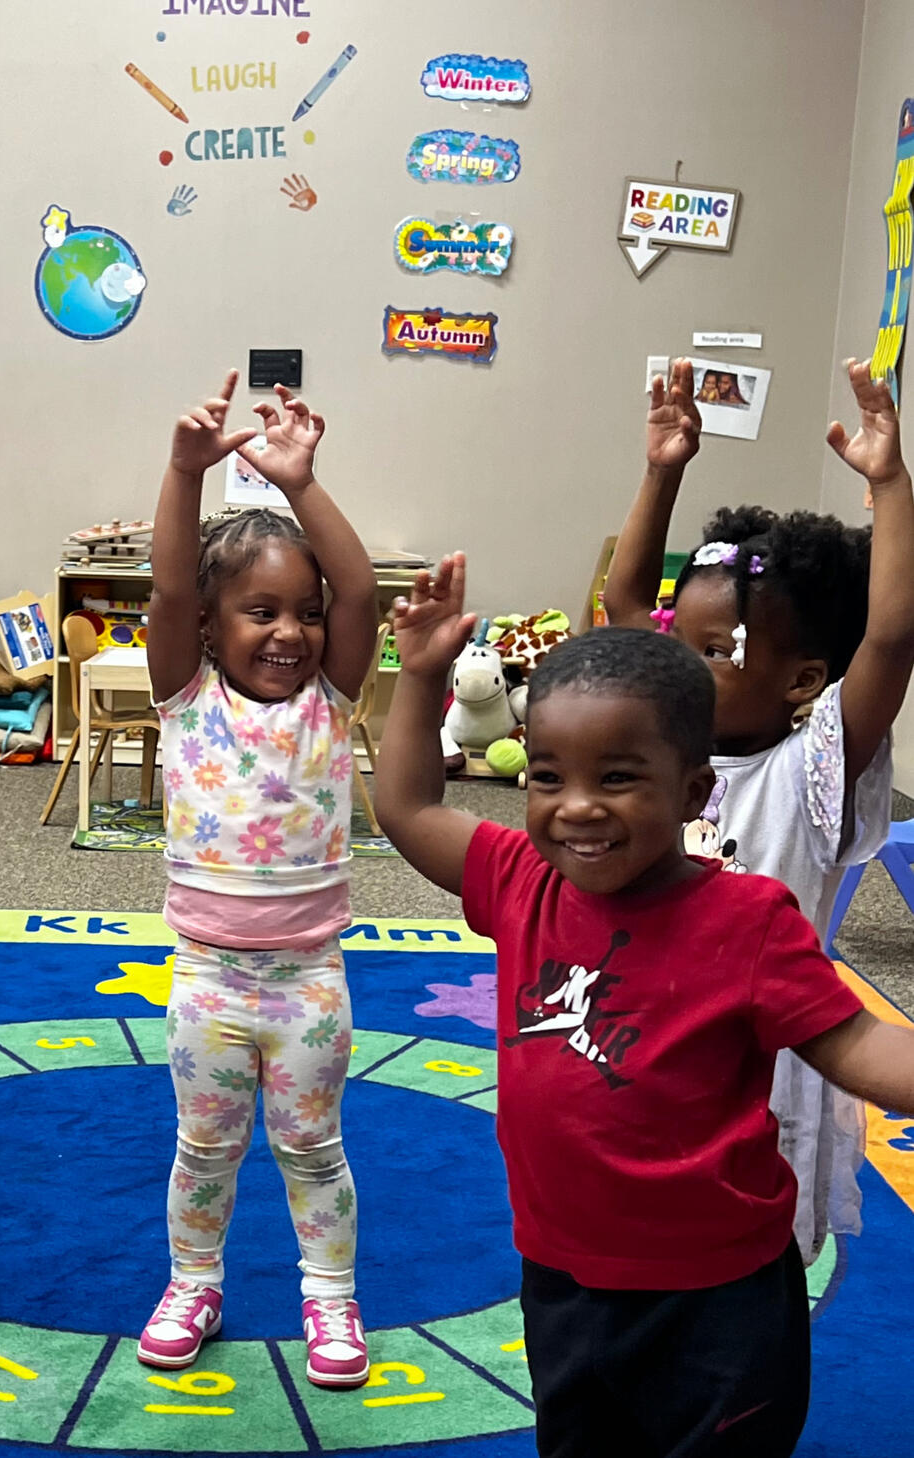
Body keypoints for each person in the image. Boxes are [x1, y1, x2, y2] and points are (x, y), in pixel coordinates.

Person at [374, 565, 914, 1457]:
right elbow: (406, 805)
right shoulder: (520, 879)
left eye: (619, 778)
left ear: (694, 793)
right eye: (549, 777)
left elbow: (855, 1044)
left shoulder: (746, 919)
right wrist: (423, 673)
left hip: (718, 1298)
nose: (578, 807)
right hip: (564, 1277)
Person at [603, 355, 914, 1264]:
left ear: (803, 680)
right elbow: (626, 603)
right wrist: (662, 470)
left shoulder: (812, 770)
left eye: (714, 651)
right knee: (647, 1229)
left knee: (752, 1259)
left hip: (766, 1059)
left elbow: (891, 638)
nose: (678, 664)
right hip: (658, 1033)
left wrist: (891, 487)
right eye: (679, 641)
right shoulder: (664, 747)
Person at [138, 370, 379, 1387]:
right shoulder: (186, 699)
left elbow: (363, 593)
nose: (290, 632)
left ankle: (330, 1297)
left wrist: (302, 483)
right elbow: (167, 588)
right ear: (209, 625)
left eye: (304, 614)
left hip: (309, 979)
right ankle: (193, 1282)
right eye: (260, 612)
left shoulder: (330, 700)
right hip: (208, 978)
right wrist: (185, 471)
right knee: (204, 1150)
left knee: (313, 1148)